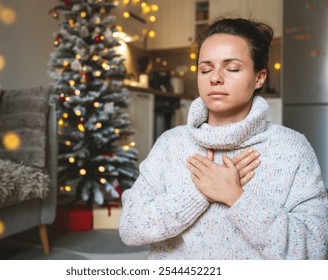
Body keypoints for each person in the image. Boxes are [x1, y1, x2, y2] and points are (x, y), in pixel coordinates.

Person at [119, 17, 328, 259]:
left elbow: (314, 249)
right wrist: (199, 194)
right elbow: (130, 229)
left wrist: (235, 196)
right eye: (205, 69)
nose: (215, 78)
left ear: (259, 77)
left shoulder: (292, 148)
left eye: (232, 68)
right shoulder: (170, 143)